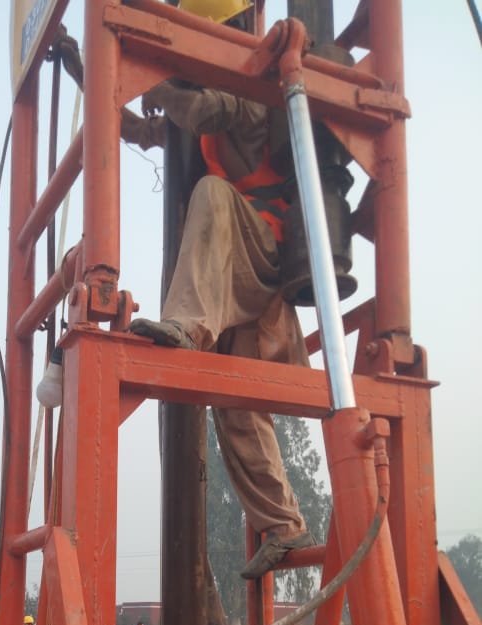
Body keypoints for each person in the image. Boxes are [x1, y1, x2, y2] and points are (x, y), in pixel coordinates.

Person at [124, 0, 315, 580]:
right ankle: (283, 524)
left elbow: (203, 112)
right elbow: (141, 128)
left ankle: (188, 324)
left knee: (209, 191)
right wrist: (89, 68)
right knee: (237, 406)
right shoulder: (201, 103)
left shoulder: (248, 84)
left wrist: (156, 78)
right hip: (231, 272)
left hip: (260, 249)